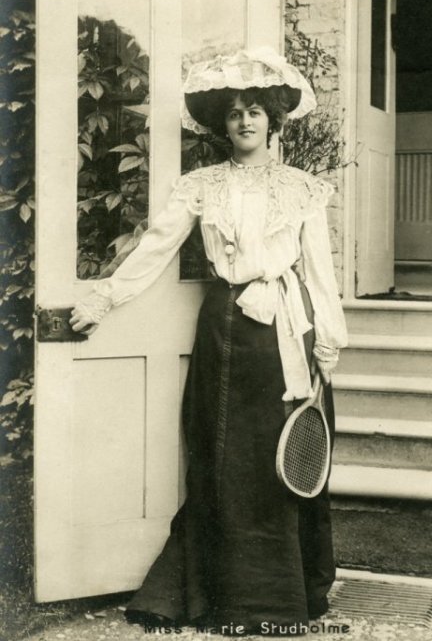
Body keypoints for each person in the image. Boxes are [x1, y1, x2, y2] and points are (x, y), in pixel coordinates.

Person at [70, 47, 348, 635]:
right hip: (226, 328)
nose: (245, 121)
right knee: (225, 457)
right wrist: (104, 298)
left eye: (255, 111)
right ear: (222, 125)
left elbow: (320, 273)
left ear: (274, 120)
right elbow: (154, 248)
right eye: (234, 113)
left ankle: (284, 599)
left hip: (287, 331)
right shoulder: (202, 186)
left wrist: (328, 340)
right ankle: (227, 599)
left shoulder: (303, 189)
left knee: (283, 459)